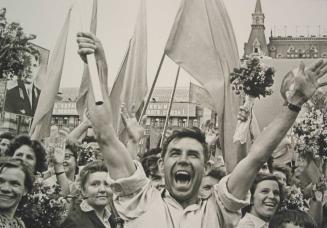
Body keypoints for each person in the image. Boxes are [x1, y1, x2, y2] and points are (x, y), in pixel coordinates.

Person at [78, 32, 327, 228]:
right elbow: (105, 134)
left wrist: (293, 104)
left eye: (193, 154)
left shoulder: (220, 207)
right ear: (161, 165)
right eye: (175, 153)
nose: (184, 160)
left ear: (206, 166)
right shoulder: (139, 198)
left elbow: (257, 155)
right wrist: (98, 66)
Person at [60, 160, 119, 228]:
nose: (102, 189)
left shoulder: (110, 217)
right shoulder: (74, 222)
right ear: (83, 190)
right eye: (95, 184)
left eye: (107, 184)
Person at [0, 158, 34, 228]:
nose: (5, 188)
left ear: (25, 190)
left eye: (14, 183)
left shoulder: (19, 224)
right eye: (1, 181)